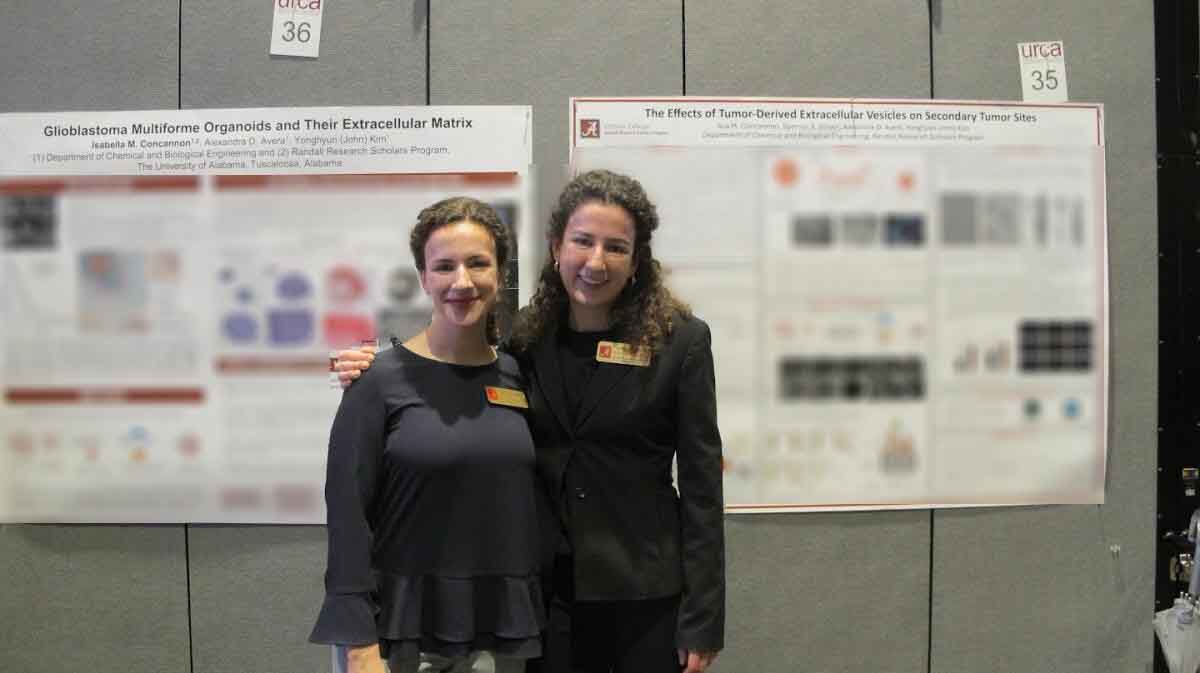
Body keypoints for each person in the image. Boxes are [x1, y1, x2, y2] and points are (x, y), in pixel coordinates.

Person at [335, 170, 726, 673]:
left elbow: (701, 489)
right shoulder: (525, 338)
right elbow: (452, 351)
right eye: (582, 241)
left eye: (616, 247)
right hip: (546, 597)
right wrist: (371, 362)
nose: (595, 261)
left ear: (636, 261)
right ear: (556, 247)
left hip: (645, 595)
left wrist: (704, 616)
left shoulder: (681, 344)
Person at [310, 197, 544, 673]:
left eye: (478, 263)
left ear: (500, 274)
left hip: (495, 632)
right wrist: (359, 646)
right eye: (444, 266)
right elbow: (349, 517)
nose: (462, 281)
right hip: (397, 637)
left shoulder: (519, 376)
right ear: (423, 279)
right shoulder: (377, 381)